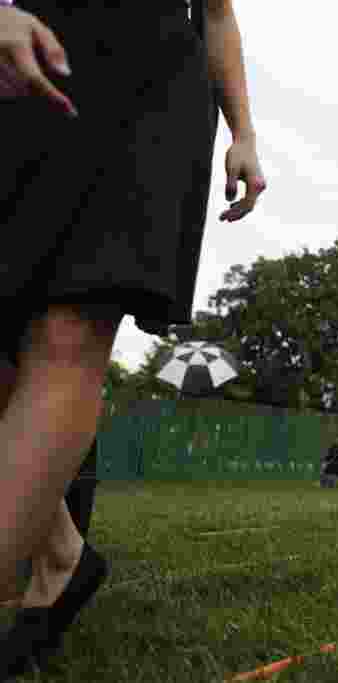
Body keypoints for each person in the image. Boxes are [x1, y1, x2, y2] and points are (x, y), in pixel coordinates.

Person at [0, 0, 266, 675]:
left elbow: (216, 11)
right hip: (26, 48)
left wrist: (244, 131)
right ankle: (62, 552)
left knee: (68, 330)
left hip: (148, 76)